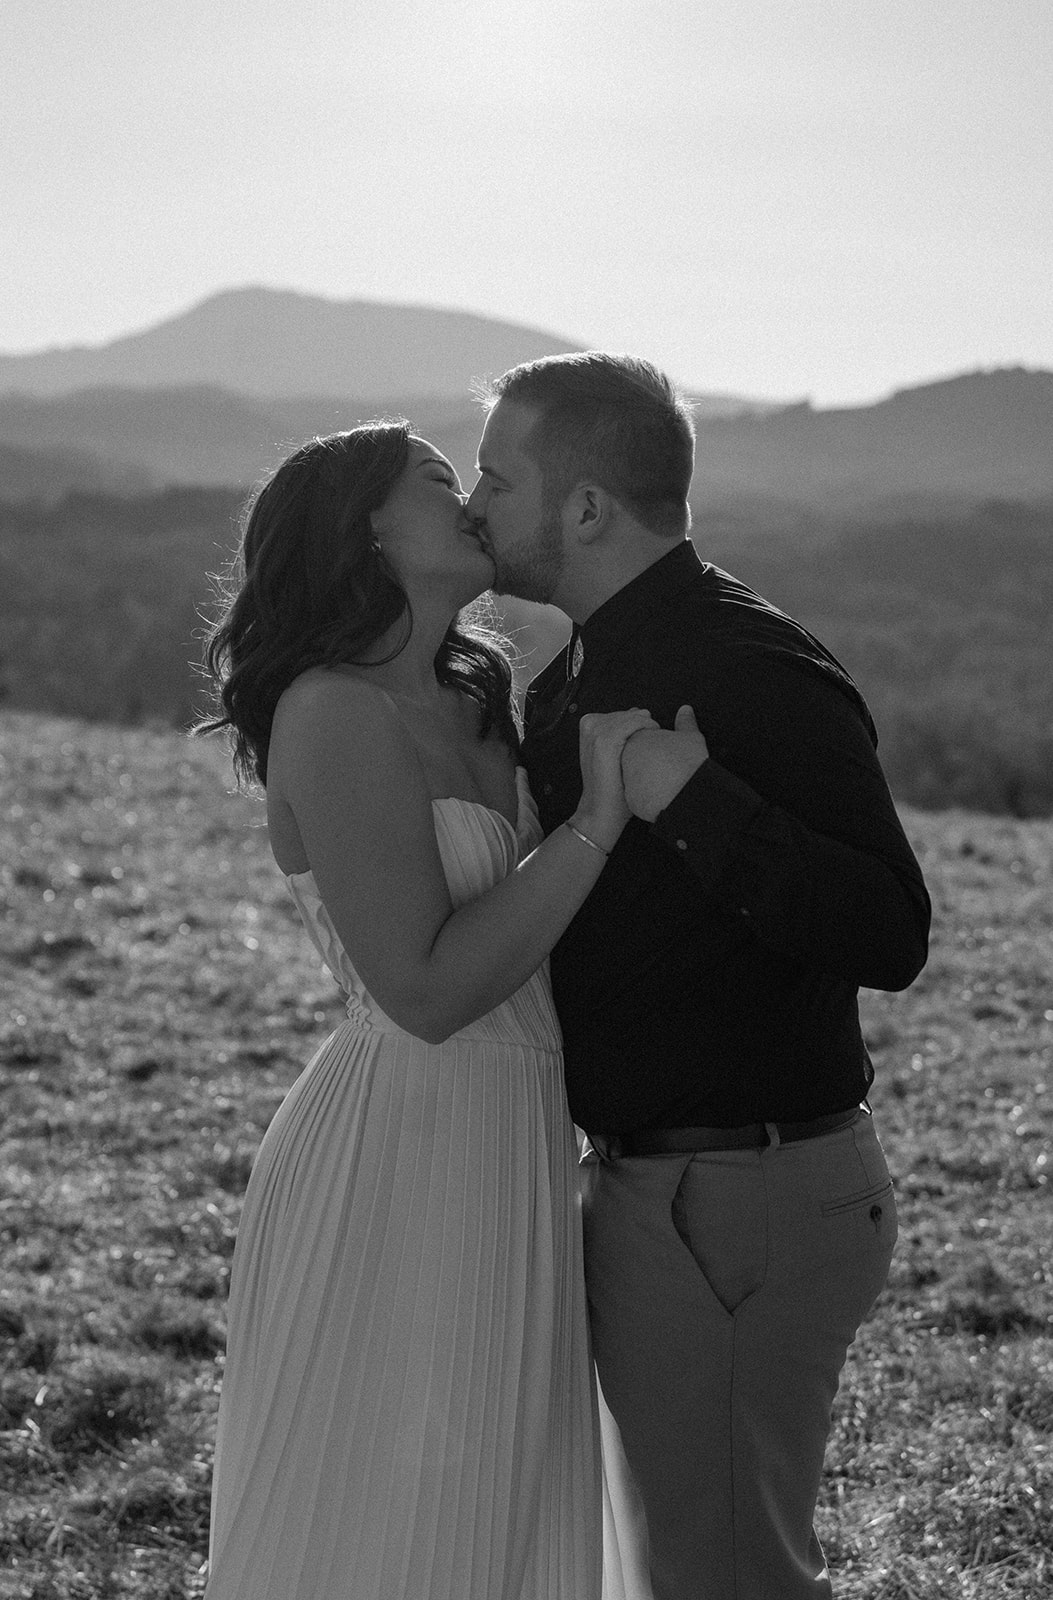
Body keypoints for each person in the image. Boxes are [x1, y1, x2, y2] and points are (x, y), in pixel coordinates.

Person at [466, 353, 932, 1600]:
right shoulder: (572, 668)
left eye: (496, 479)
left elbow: (891, 928)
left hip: (743, 1195)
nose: (473, 503)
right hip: (663, 1194)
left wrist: (692, 798)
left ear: (584, 510)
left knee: (728, 1580)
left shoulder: (745, 666)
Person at [197, 422, 657, 1600]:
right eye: (438, 481)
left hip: (514, 1141)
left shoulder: (482, 700)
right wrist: (597, 823)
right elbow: (429, 988)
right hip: (396, 1144)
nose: (469, 497)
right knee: (380, 1525)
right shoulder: (330, 710)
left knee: (491, 1510)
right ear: (367, 529)